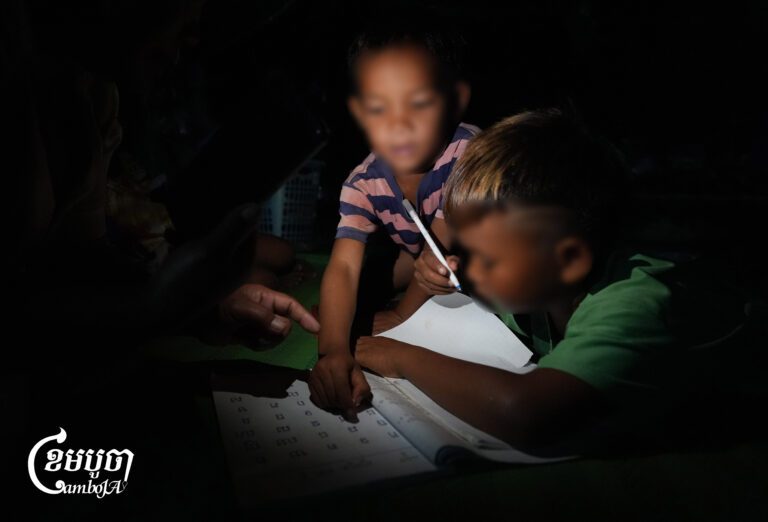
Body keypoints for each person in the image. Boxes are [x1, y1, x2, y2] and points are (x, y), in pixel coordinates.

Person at [353, 109, 747, 450]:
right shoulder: (538, 284)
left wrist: (401, 357)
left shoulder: (634, 304)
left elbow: (527, 414)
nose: (463, 269)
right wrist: (416, 302)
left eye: (485, 259)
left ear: (570, 260)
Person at [309, 25, 476, 417]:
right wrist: (332, 350)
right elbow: (344, 265)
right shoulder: (363, 181)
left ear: (456, 100)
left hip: (479, 262)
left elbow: (441, 244)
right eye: (378, 108)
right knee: (374, 273)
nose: (398, 125)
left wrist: (401, 316)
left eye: (418, 103)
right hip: (420, 257)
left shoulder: (471, 154)